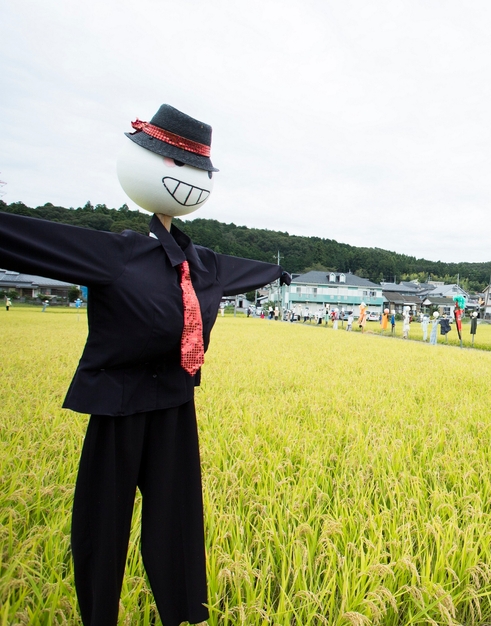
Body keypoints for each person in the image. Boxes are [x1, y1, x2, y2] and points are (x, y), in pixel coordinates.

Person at [0, 104, 289, 626]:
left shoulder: (205, 264)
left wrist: (276, 271)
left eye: (198, 171)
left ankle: (184, 615)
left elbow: (244, 272)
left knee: (177, 519)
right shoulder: (118, 253)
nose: (189, 180)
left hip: (176, 402)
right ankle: (98, 617)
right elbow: (37, 242)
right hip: (118, 404)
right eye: (178, 166)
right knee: (102, 521)